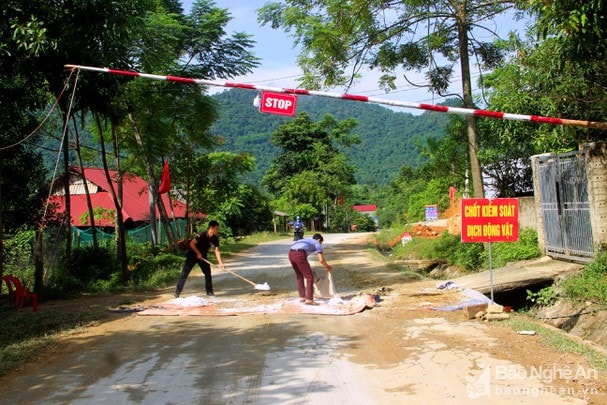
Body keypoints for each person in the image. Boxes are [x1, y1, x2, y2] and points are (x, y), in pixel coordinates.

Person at [174, 220, 224, 298]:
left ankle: (209, 292)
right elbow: (192, 243)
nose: (218, 230)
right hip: (192, 255)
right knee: (184, 273)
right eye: (217, 228)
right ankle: (177, 293)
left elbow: (217, 251)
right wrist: (198, 253)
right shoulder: (202, 234)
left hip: (203, 257)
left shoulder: (215, 238)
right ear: (211, 228)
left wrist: (220, 263)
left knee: (208, 273)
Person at [288, 233, 332, 305]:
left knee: (299, 275)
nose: (320, 244)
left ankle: (302, 297)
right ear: (319, 240)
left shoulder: (306, 240)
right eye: (321, 242)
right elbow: (321, 260)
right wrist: (328, 267)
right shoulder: (317, 243)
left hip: (290, 254)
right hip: (299, 255)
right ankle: (309, 299)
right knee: (309, 277)